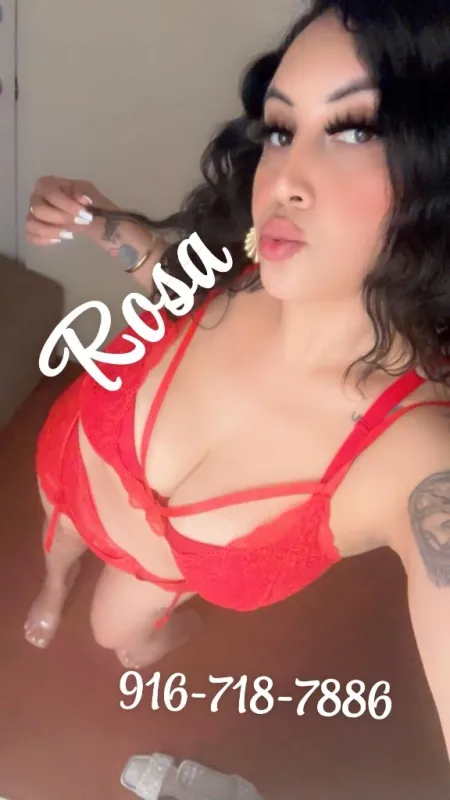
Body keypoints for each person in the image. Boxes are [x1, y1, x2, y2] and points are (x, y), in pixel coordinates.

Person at [24, 0, 450, 759]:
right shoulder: (241, 265)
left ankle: (158, 633)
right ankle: (54, 585)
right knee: (55, 542)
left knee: (114, 633)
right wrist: (93, 220)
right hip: (72, 457)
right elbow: (170, 275)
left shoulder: (415, 454)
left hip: (149, 576)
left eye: (356, 129)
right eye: (281, 130)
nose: (283, 180)